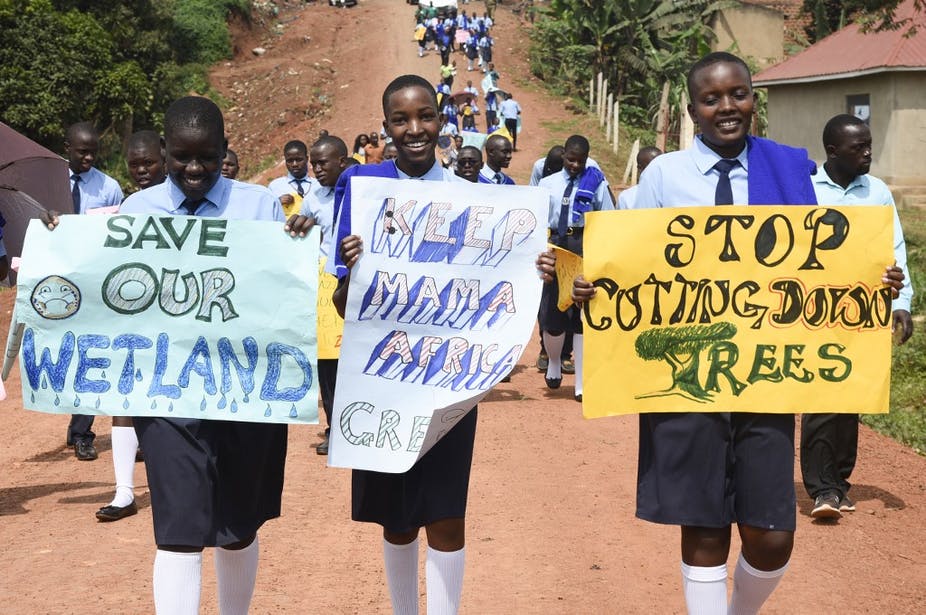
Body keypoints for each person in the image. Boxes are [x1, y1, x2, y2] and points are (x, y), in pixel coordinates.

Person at [564, 51, 908, 614]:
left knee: (772, 537)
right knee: (703, 528)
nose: (727, 107)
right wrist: (585, 284)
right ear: (693, 109)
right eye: (711, 98)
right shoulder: (664, 175)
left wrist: (875, 281)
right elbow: (618, 261)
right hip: (684, 379)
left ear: (754, 97)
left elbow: (822, 262)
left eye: (739, 94)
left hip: (764, 377)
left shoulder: (789, 169)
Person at [45, 96, 315, 614]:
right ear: (165, 150)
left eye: (209, 157)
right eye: (182, 157)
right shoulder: (136, 213)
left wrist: (301, 241)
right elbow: (104, 290)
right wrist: (62, 242)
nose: (196, 169)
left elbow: (287, 293)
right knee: (178, 529)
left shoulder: (259, 206)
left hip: (244, 394)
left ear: (225, 150)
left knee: (237, 529)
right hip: (168, 396)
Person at [329, 74, 473, 615]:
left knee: (445, 509)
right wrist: (355, 273)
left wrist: (533, 269)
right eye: (400, 119)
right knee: (395, 513)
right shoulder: (362, 193)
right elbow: (345, 305)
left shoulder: (472, 200)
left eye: (425, 117)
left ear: (441, 120)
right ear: (385, 125)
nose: (415, 130)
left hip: (449, 374)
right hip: (382, 373)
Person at [800, 114, 914, 519]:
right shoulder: (805, 189)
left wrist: (902, 302)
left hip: (862, 312)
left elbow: (894, 248)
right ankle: (822, 489)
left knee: (852, 398)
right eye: (858, 147)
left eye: (869, 143)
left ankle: (840, 483)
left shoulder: (877, 192)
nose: (868, 152)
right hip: (813, 310)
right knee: (821, 396)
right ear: (833, 152)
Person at [94, 129, 167, 522]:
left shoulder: (184, 202)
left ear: (165, 157)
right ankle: (124, 491)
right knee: (125, 400)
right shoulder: (126, 207)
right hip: (137, 315)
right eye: (134, 164)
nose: (141, 170)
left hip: (180, 319)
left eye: (148, 162)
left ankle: (169, 486)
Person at [64, 121, 124, 461]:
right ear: (67, 147)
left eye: (93, 152)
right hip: (57, 281)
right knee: (64, 354)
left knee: (90, 353)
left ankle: (82, 431)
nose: (88, 157)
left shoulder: (109, 187)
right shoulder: (48, 182)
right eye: (81, 151)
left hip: (94, 279)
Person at [537, 135, 613, 402]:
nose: (575, 165)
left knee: (583, 316)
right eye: (571, 159)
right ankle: (555, 364)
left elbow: (607, 219)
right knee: (553, 313)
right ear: (564, 156)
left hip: (584, 246)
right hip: (556, 247)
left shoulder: (597, 184)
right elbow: (537, 221)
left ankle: (581, 381)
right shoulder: (547, 185)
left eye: (580, 161)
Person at [302, 135, 349, 455]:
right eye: (313, 163)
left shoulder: (360, 193)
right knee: (328, 367)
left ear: (342, 163)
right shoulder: (312, 197)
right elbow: (304, 232)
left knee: (354, 362)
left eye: (323, 163)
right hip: (323, 290)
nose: (316, 169)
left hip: (353, 285)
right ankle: (334, 428)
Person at [268, 140, 314, 217]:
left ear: (306, 159)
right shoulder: (275, 186)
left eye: (299, 160)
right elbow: (267, 212)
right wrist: (278, 202)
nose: (294, 164)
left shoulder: (317, 185)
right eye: (290, 161)